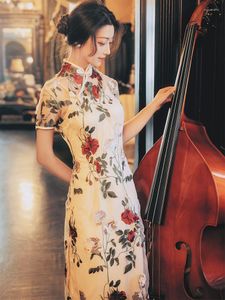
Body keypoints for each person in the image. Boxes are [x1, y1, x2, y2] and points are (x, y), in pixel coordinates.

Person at [35, 1, 175, 299]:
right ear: (78, 39)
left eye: (110, 43)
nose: (108, 51)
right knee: (93, 275)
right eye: (101, 43)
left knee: (129, 271)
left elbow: (117, 137)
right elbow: (44, 156)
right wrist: (81, 181)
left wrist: (154, 105)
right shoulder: (54, 90)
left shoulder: (109, 85)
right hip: (88, 200)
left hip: (124, 195)